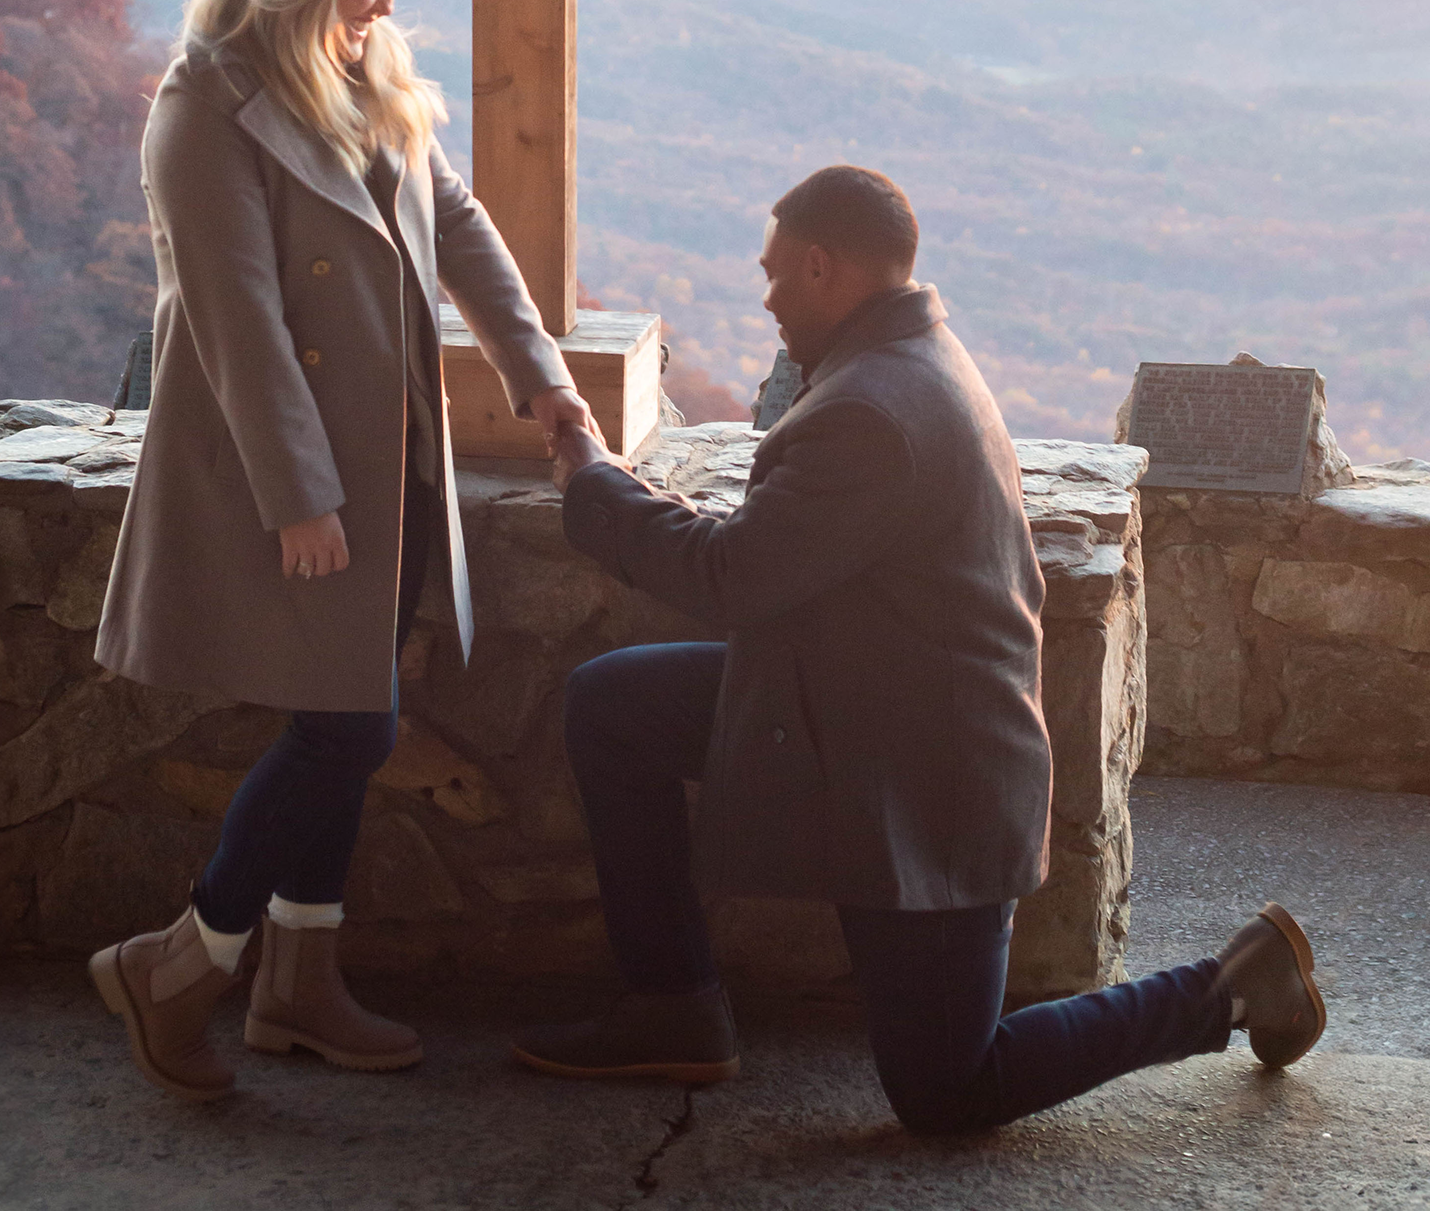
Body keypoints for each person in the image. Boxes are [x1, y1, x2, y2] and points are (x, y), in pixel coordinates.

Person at [517, 163, 1326, 1136]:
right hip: (856, 711)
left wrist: (592, 482)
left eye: (776, 275)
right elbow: (775, 544)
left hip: (929, 779)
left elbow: (730, 576)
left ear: (824, 267)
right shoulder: (903, 358)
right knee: (614, 706)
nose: (766, 296)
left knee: (951, 1088)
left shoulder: (871, 410)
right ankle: (674, 1001)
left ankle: (1233, 985)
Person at [89, 0, 593, 1100]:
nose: (386, 6)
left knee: (347, 721)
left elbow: (461, 222)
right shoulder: (207, 105)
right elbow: (237, 320)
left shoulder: (364, 75)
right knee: (346, 731)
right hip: (299, 482)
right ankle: (182, 963)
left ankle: (297, 993)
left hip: (396, 465)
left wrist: (544, 379)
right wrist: (301, 497)